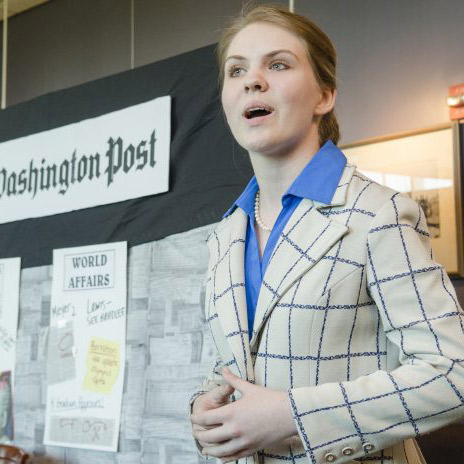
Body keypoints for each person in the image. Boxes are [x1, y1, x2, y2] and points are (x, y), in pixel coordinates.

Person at [189, 4, 464, 464]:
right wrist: (202, 409)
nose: (252, 80)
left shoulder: (377, 214)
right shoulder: (222, 235)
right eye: (237, 70)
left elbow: (453, 372)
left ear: (324, 96)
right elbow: (220, 367)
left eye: (277, 64)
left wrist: (297, 416)